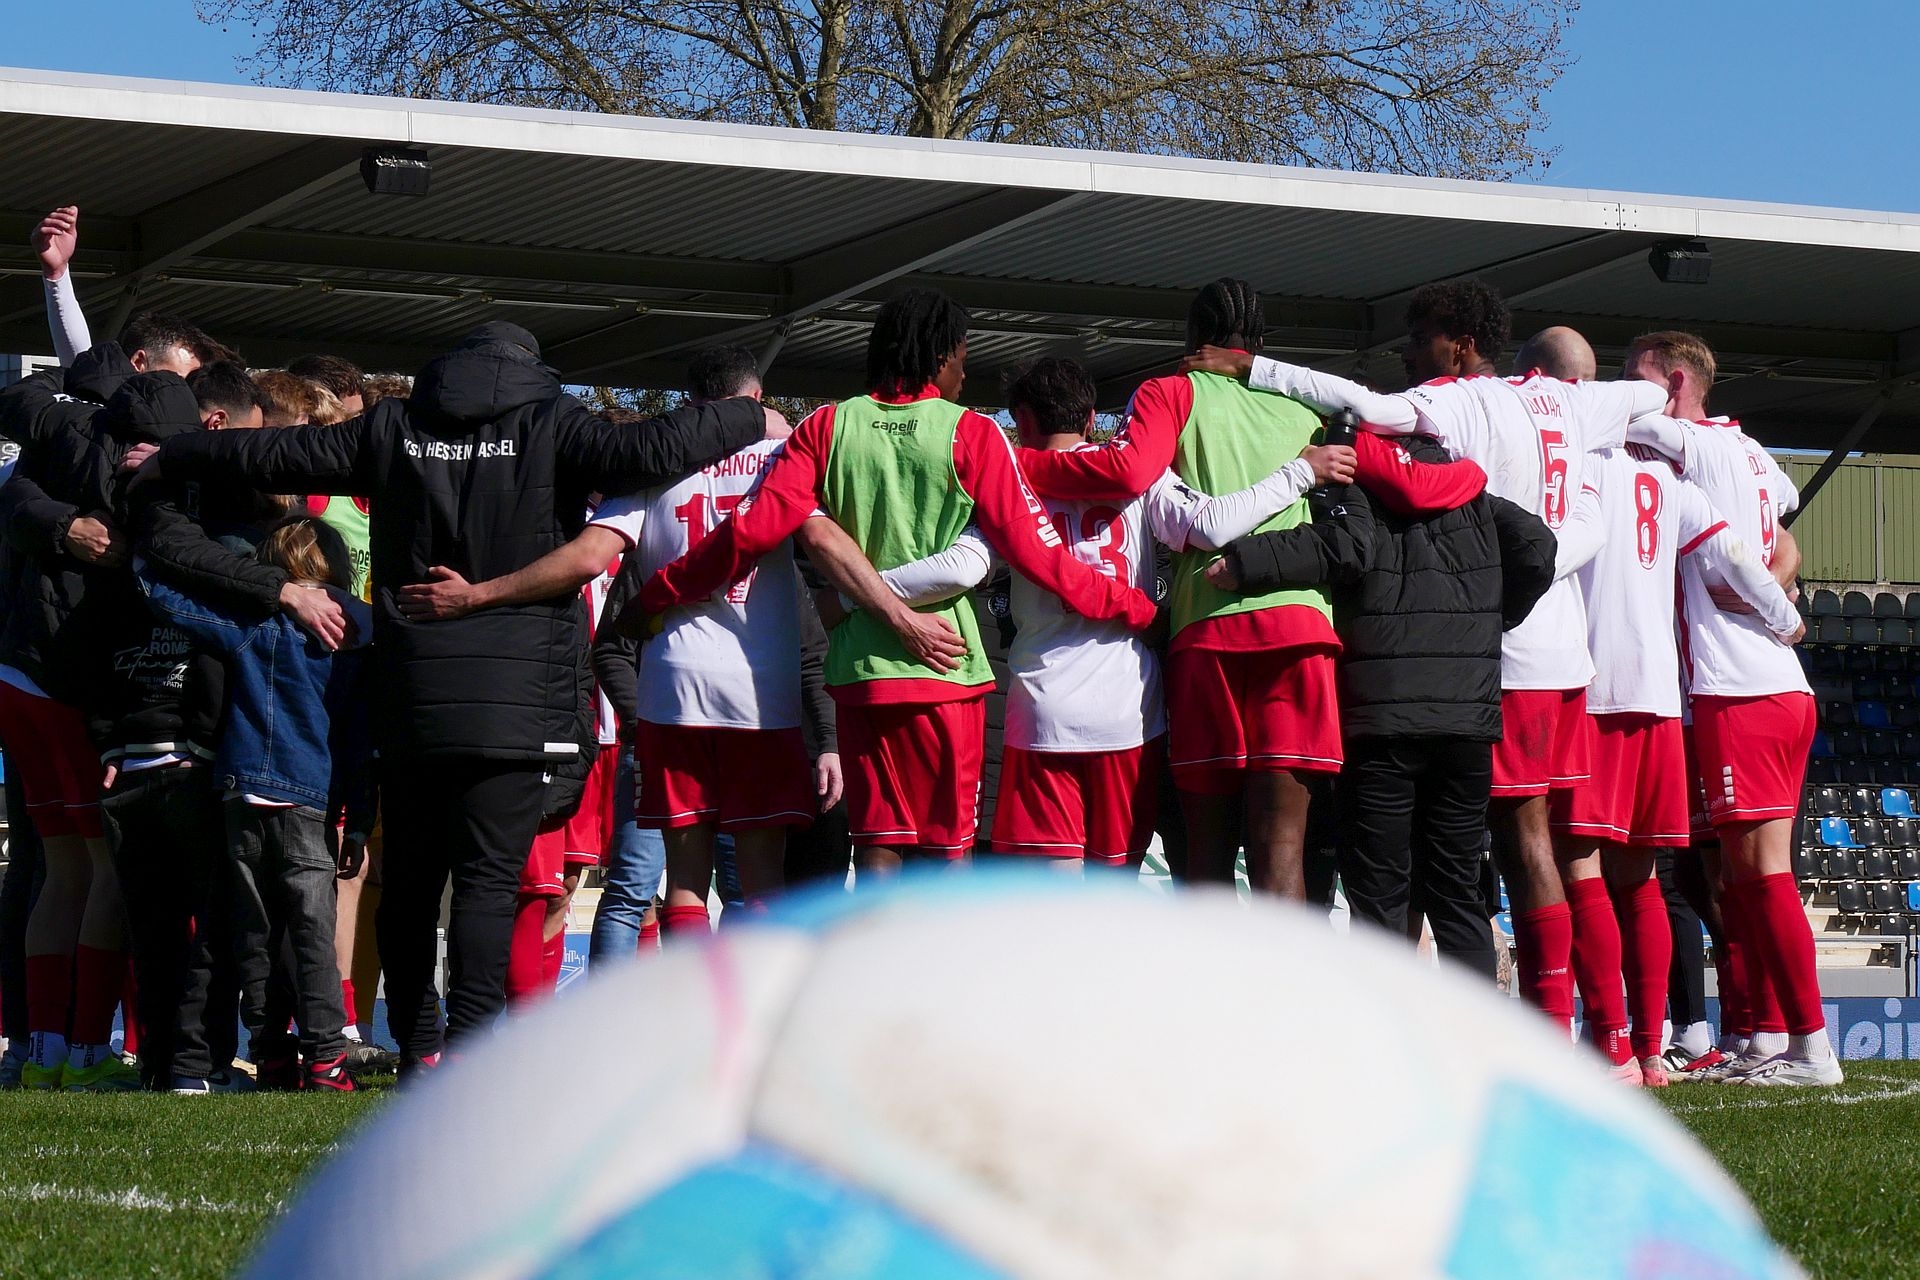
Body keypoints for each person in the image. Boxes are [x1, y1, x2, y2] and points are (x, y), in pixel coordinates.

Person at [128, 320, 769, 1078]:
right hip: (517, 702)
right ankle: (465, 1054)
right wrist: (751, 415)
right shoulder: (556, 423)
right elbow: (658, 445)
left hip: (414, 699)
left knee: (408, 885)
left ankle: (417, 1045)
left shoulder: (392, 427)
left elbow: (273, 452)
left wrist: (173, 453)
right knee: (488, 887)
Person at [1184, 287, 1667, 1024]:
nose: (1409, 355)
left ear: (1461, 347)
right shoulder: (1510, 460)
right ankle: (1527, 1038)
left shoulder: (1434, 421)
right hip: (1488, 693)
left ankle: (1396, 1042)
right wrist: (1491, 612)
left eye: (1422, 338)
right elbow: (1639, 417)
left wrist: (1252, 373)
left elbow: (1345, 514)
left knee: (1387, 886)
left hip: (1404, 709)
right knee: (1480, 878)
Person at [629, 289, 1157, 871]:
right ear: (939, 356)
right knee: (947, 856)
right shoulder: (974, 433)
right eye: (962, 357)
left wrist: (659, 593)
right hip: (946, 668)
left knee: (876, 846)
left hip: (861, 672)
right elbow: (1037, 554)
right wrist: (1136, 609)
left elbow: (750, 533)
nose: (964, 373)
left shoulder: (827, 426)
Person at [854, 355, 1354, 869]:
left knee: (1051, 900)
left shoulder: (1007, 481)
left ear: (1021, 420)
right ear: (1092, 418)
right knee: (1112, 901)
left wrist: (860, 593)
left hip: (1044, 711)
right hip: (1129, 714)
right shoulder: (1141, 474)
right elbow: (1210, 525)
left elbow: (961, 568)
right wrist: (1301, 471)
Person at [1005, 281, 1348, 897]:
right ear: (1260, 343)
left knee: (1204, 855)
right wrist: (1301, 470)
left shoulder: (1168, 393)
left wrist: (1012, 464)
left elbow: (1174, 504)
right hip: (1298, 627)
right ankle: (1288, 967)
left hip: (1202, 634)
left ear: (1192, 342)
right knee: (1280, 848)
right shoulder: (1308, 408)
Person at [1215, 424, 1556, 977]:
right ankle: (1471, 1025)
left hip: (1380, 721)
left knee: (1380, 895)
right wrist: (1488, 621)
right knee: (1457, 891)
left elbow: (1338, 550)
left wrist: (1241, 561)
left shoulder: (1358, 492)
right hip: (1465, 720)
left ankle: (1392, 1024)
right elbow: (1539, 546)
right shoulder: (1474, 494)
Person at [1551, 440, 1801, 1087]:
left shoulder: (1583, 460)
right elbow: (1739, 551)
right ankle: (1649, 1050)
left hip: (1596, 687)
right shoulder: (1671, 482)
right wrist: (1785, 615)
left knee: (1579, 871)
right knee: (1643, 882)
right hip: (1664, 699)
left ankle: (1611, 1050)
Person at [1623, 331, 1838, 1086]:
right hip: (1766, 684)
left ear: (1677, 382)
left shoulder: (1692, 442)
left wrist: (1776, 598)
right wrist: (1781, 569)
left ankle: (1812, 1047)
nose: (1629, 393)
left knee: (1761, 873)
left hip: (1739, 687)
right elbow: (1784, 525)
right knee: (1740, 878)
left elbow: (1604, 419)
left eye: (1639, 379)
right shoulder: (1749, 453)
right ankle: (1764, 1035)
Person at [140, 518, 373, 1092]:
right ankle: (326, 1056)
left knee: (256, 934)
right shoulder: (360, 630)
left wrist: (141, 555)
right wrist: (360, 822)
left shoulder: (255, 619)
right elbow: (359, 740)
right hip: (312, 796)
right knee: (313, 935)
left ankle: (270, 1053)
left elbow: (168, 600)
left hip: (243, 789)